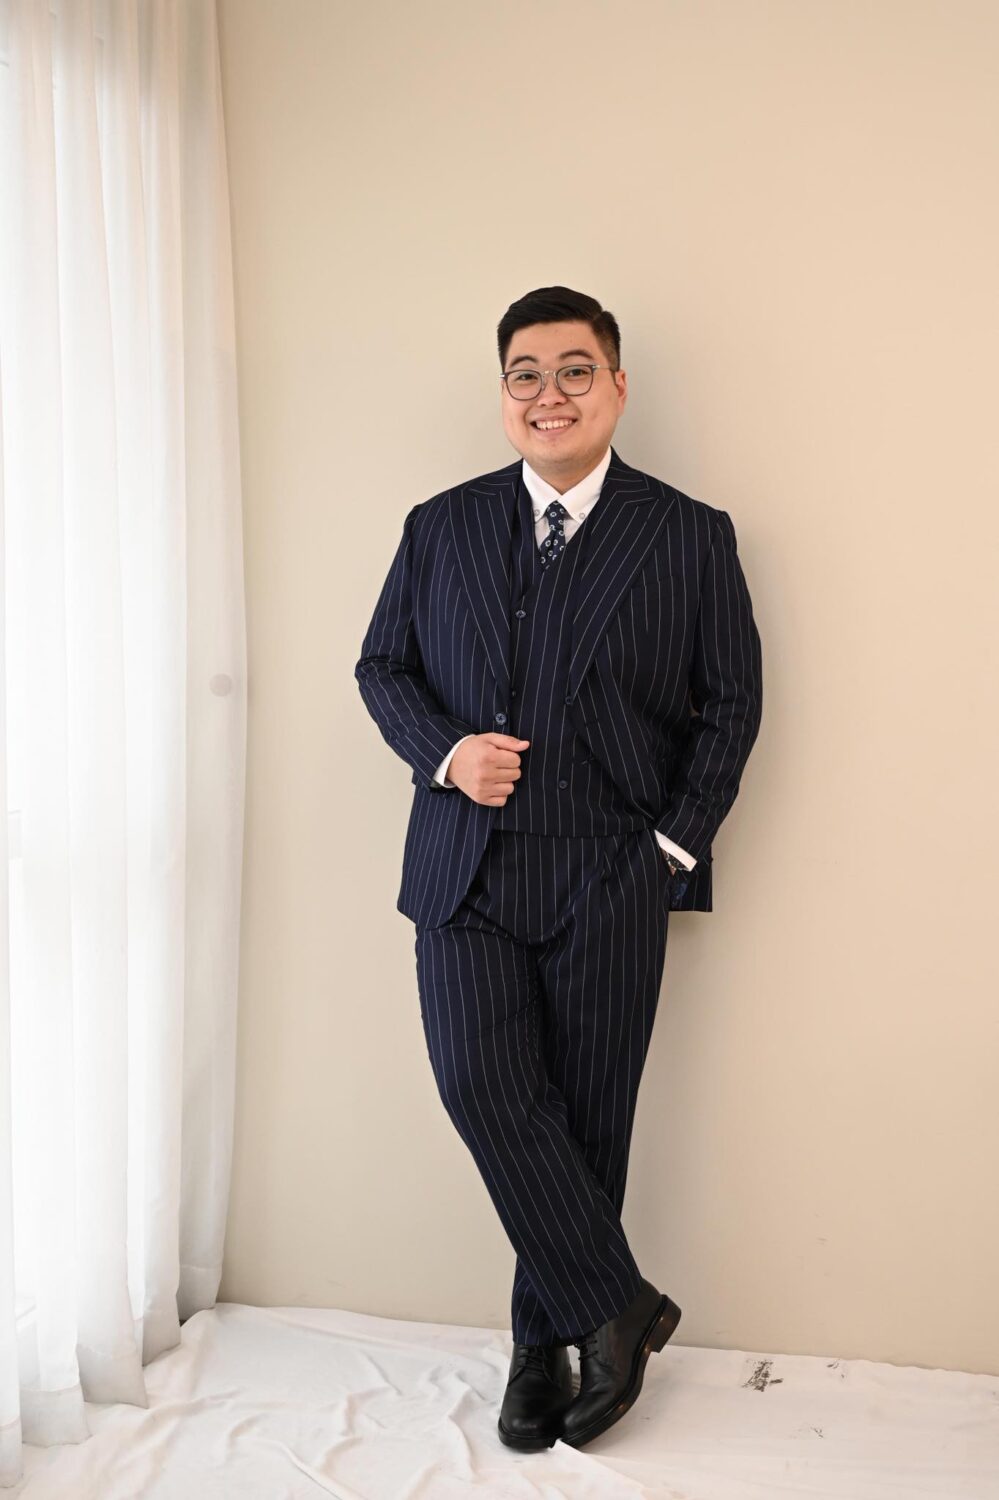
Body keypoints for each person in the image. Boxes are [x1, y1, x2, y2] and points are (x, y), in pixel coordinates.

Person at [354, 285, 763, 1452]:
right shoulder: (440, 525)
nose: (549, 394)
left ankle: (544, 1346)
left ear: (616, 387)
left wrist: (671, 847)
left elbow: (732, 703)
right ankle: (617, 1306)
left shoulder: (688, 534)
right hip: (465, 870)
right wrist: (447, 755)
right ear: (504, 396)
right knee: (483, 1088)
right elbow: (382, 666)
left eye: (574, 370)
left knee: (586, 1121)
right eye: (525, 374)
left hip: (611, 873)